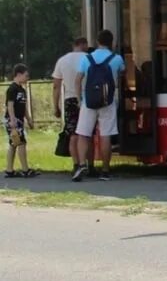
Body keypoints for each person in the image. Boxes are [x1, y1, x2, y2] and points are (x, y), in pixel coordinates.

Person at [72, 30, 126, 182]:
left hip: (88, 101)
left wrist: (79, 98)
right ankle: (105, 170)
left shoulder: (87, 58)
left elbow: (78, 79)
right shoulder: (117, 58)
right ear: (112, 42)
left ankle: (82, 164)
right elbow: (124, 74)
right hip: (107, 101)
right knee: (105, 135)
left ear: (97, 41)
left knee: (83, 134)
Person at [52, 37, 90, 165]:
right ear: (83, 44)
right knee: (87, 134)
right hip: (87, 99)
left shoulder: (62, 60)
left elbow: (56, 86)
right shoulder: (90, 58)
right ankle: (89, 164)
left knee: (73, 135)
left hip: (70, 99)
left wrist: (55, 106)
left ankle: (76, 164)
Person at [5, 64, 38, 178]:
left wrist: (28, 119)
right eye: (26, 75)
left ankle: (9, 170)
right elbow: (10, 105)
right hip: (13, 119)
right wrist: (12, 120)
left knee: (14, 143)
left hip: (20, 119)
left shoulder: (22, 90)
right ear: (18, 74)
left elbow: (23, 107)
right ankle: (25, 169)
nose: (27, 78)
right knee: (21, 143)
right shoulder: (12, 88)